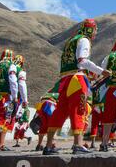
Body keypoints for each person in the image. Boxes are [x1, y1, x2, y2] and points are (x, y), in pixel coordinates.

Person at [44, 19, 110, 155]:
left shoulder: (70, 41)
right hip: (77, 80)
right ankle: (77, 144)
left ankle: (48, 145)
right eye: (95, 30)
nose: (96, 33)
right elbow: (82, 60)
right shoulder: (84, 40)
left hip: (65, 79)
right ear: (91, 29)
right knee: (79, 109)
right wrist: (101, 71)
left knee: (60, 111)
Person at [33, 83, 59, 151]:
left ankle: (39, 145)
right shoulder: (60, 92)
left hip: (41, 107)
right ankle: (52, 144)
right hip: (50, 105)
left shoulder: (48, 92)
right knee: (52, 126)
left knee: (44, 126)